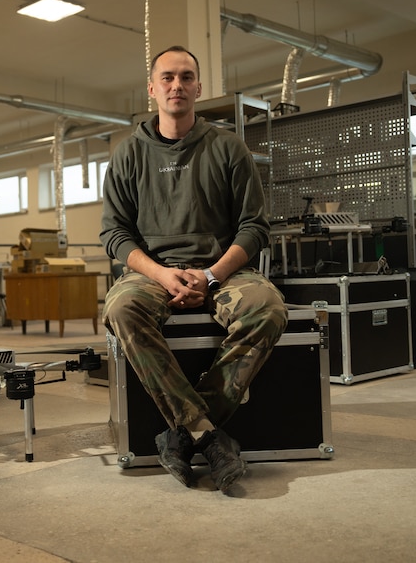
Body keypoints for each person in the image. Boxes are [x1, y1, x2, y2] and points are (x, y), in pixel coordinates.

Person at [100, 45, 288, 496]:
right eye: (167, 77)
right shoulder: (128, 155)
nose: (176, 85)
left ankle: (182, 434)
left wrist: (211, 277)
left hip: (220, 269)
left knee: (268, 308)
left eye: (186, 77)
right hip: (151, 273)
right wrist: (164, 276)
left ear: (198, 88)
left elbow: (254, 228)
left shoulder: (227, 147)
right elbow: (115, 235)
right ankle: (206, 434)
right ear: (152, 89)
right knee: (122, 310)